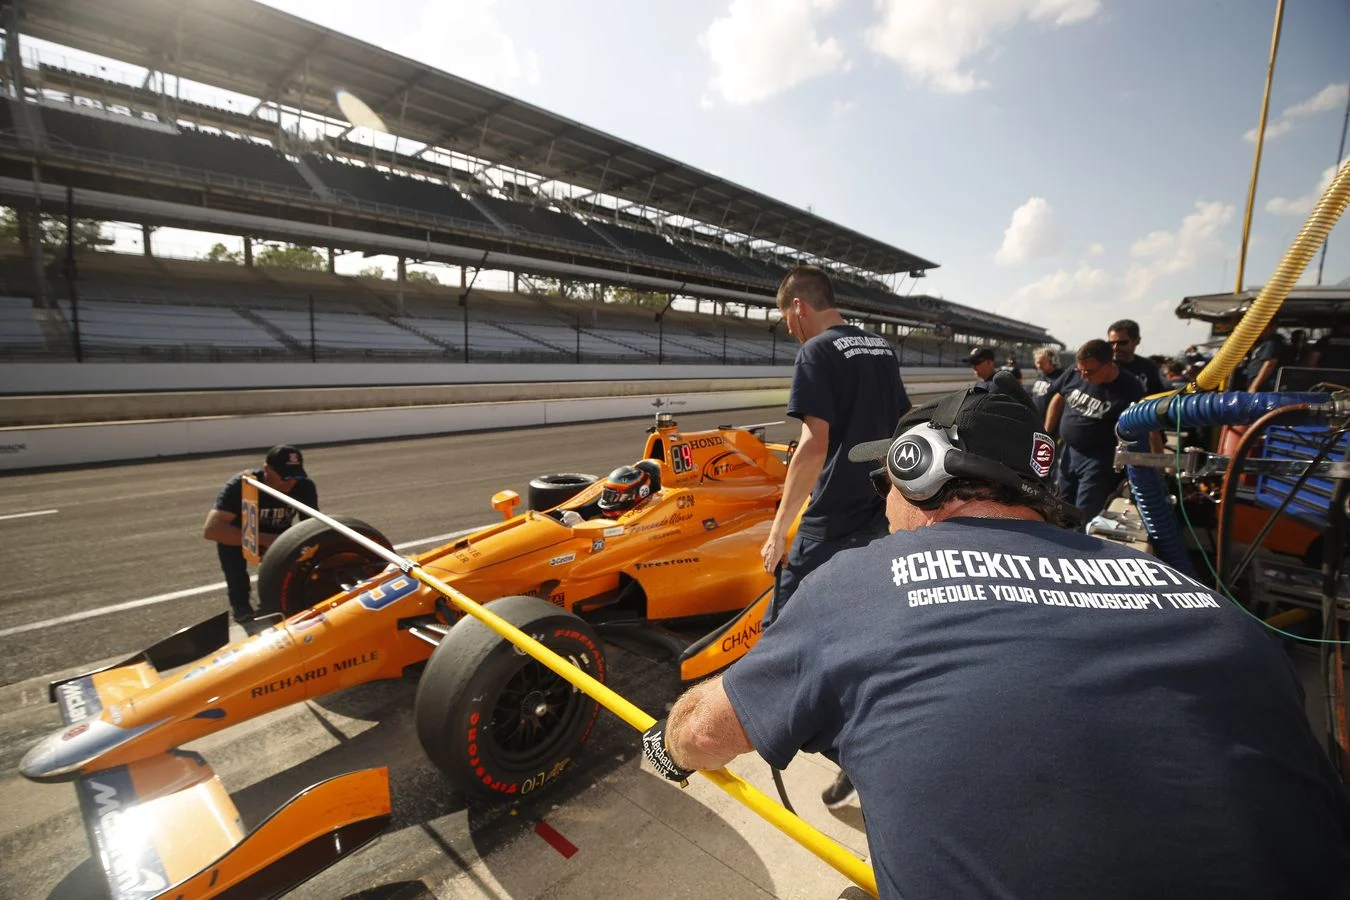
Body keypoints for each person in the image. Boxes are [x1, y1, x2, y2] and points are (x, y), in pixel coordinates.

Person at [640, 385, 1350, 900]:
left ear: (920, 470)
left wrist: (662, 748)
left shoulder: (860, 585)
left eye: (887, 474)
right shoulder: (1211, 608)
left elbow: (705, 731)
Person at [759, 264, 910, 808]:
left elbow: (813, 444)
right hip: (873, 509)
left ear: (798, 306)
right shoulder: (881, 349)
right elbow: (900, 427)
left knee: (781, 633)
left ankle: (849, 752)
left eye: (785, 318)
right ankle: (871, 740)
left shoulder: (817, 351)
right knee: (858, 629)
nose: (789, 329)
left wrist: (779, 530)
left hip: (830, 516)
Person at [203, 444, 318, 623]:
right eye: (285, 475)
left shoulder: (303, 486)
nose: (291, 481)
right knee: (231, 554)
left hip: (280, 535)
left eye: (296, 474)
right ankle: (240, 604)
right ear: (267, 470)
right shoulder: (243, 484)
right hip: (241, 535)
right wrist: (263, 539)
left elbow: (312, 526)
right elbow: (212, 529)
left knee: (304, 555)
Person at [1044, 339, 1144, 523]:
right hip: (1069, 451)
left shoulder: (1130, 388)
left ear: (1108, 365)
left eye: (1088, 371)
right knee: (1060, 502)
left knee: (1085, 510)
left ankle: (1080, 548)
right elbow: (1059, 396)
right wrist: (1046, 431)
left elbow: (1144, 425)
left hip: (1098, 458)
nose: (1082, 376)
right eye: (1079, 369)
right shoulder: (1075, 373)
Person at [559, 461, 660, 525]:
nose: (608, 500)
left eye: (614, 496)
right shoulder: (605, 512)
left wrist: (579, 525)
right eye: (608, 494)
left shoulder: (645, 518)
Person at [1106, 318, 1166, 396]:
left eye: (1122, 343)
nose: (1115, 347)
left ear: (1137, 341)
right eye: (1112, 343)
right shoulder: (1104, 366)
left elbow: (1159, 395)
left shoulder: (1148, 366)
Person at [1026, 346, 1063, 422]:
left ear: (1053, 361)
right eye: (1037, 363)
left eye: (1042, 363)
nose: (1039, 366)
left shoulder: (1061, 377)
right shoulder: (1041, 375)